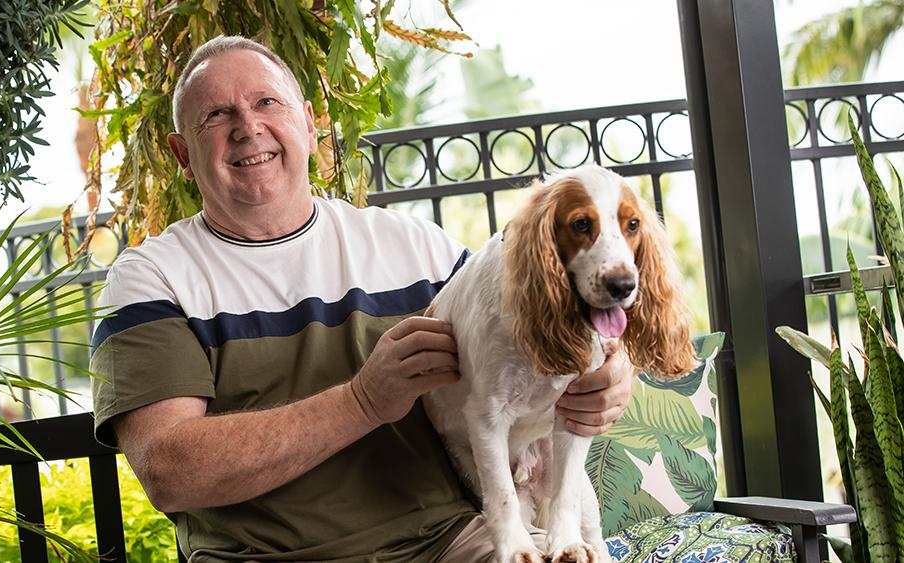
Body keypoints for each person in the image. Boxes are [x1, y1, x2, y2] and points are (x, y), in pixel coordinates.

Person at [89, 35, 634, 562]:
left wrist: (610, 376)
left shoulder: (416, 245)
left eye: (265, 103)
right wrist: (363, 402)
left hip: (453, 543)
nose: (247, 128)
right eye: (216, 116)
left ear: (308, 122)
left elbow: (536, 334)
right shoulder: (152, 278)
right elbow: (171, 471)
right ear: (183, 153)